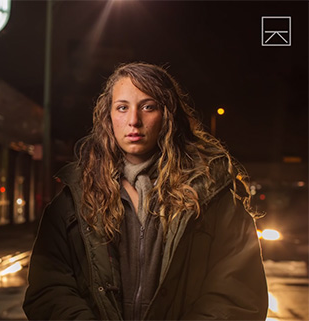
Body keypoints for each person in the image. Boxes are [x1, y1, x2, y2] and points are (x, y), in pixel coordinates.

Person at [23, 62, 268, 320]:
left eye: (148, 107)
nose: (134, 121)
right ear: (109, 117)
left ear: (168, 115)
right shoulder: (75, 198)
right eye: (122, 108)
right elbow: (48, 289)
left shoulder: (211, 194)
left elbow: (238, 294)